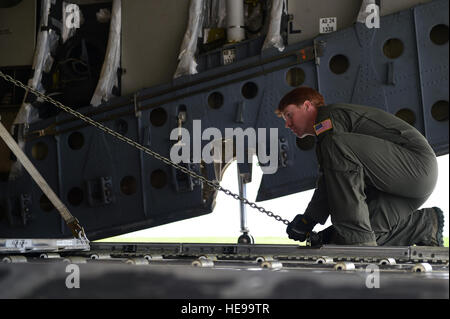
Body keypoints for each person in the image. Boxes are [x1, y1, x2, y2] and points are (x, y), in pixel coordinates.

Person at [276, 86, 444, 246]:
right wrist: (309, 220)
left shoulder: (328, 118)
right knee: (350, 239)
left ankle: (357, 239)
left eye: (289, 115)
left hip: (416, 166)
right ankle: (424, 225)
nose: (287, 124)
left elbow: (332, 176)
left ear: (306, 106)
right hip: (401, 184)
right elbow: (334, 177)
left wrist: (311, 218)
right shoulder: (326, 136)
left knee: (355, 238)